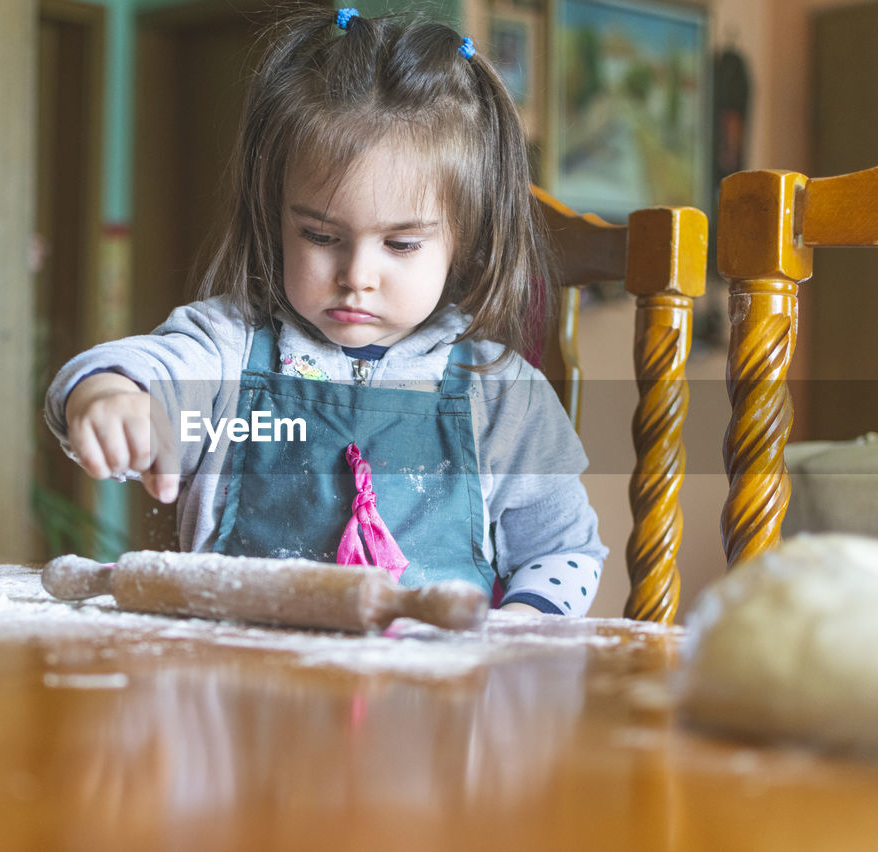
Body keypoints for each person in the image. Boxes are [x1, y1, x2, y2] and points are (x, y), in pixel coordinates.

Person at [44, 8, 605, 616]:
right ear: (276, 218)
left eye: (401, 244)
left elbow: (564, 551)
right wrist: (110, 397)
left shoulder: (500, 393)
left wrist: (518, 632)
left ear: (465, 239)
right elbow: (149, 371)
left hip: (430, 695)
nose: (357, 276)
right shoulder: (228, 350)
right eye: (320, 236)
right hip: (235, 687)